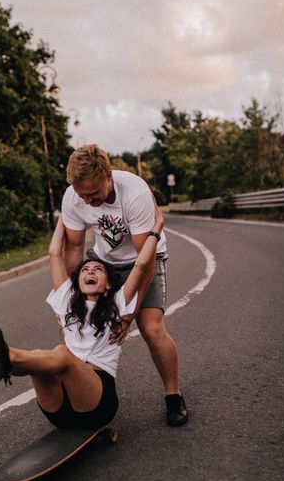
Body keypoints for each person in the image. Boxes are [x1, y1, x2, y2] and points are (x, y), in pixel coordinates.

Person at [0, 214, 163, 430]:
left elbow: (141, 265)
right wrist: (66, 214)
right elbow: (54, 254)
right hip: (58, 411)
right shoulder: (67, 302)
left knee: (60, 354)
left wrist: (156, 229)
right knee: (40, 364)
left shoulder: (118, 303)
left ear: (108, 285)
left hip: (97, 405)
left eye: (97, 270)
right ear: (79, 281)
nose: (90, 271)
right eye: (85, 270)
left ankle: (6, 355)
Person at [60, 143, 188, 427]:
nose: (88, 201)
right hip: (104, 259)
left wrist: (128, 314)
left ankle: (173, 396)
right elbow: (73, 250)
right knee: (86, 325)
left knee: (150, 327)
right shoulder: (73, 197)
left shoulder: (135, 193)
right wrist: (68, 297)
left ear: (108, 177)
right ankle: (87, 397)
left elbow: (145, 260)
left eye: (94, 194)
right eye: (83, 195)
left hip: (142, 259)